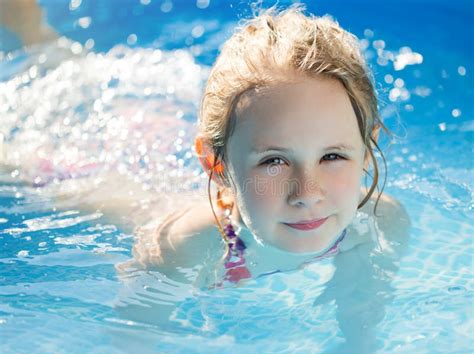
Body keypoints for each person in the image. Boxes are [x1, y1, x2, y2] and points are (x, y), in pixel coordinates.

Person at [116, 5, 409, 288]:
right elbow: (134, 335)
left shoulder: (381, 224)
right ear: (215, 163)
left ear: (367, 151)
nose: (307, 195)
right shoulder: (183, 249)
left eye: (332, 156)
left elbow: (362, 317)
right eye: (274, 161)